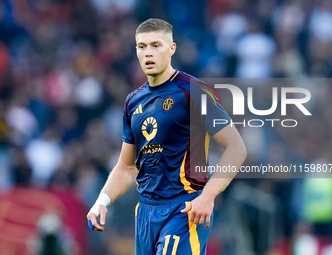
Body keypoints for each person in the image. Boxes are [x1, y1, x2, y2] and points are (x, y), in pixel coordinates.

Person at [87, 18, 247, 255]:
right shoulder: (133, 102)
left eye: (156, 45)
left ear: (172, 49)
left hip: (184, 207)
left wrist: (208, 195)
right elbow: (127, 166)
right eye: (142, 47)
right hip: (145, 212)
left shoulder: (194, 91)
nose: (148, 53)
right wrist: (102, 200)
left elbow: (236, 148)